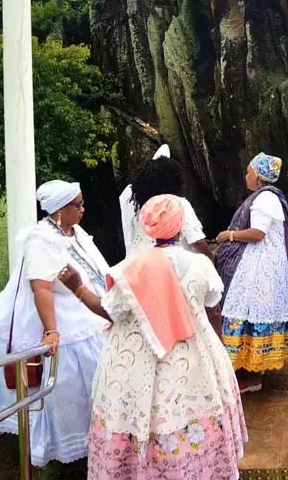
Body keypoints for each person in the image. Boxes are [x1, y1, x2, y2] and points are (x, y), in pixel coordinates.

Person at [59, 195, 247, 479]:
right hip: (197, 357)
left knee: (144, 418)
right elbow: (212, 308)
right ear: (181, 225)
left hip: (136, 364)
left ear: (146, 226)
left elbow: (108, 311)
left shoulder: (130, 269)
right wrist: (219, 349)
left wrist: (78, 288)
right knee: (195, 415)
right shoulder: (201, 265)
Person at [0, 180, 111, 467]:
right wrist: (52, 330)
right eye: (78, 205)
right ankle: (55, 445)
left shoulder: (74, 232)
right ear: (60, 209)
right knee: (61, 383)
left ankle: (93, 436)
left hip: (85, 311)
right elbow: (41, 288)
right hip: (58, 317)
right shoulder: (41, 239)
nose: (83, 209)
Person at [213, 152, 288, 393]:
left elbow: (258, 233)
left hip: (260, 267)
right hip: (265, 265)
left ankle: (251, 376)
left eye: (248, 172)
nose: (246, 176)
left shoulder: (264, 199)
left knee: (244, 310)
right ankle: (253, 373)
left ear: (258, 175)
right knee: (248, 312)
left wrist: (229, 235)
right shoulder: (269, 197)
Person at [119, 144, 214, 260]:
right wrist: (211, 258)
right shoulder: (176, 204)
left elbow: (128, 233)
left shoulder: (129, 198)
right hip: (173, 264)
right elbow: (196, 240)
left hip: (137, 262)